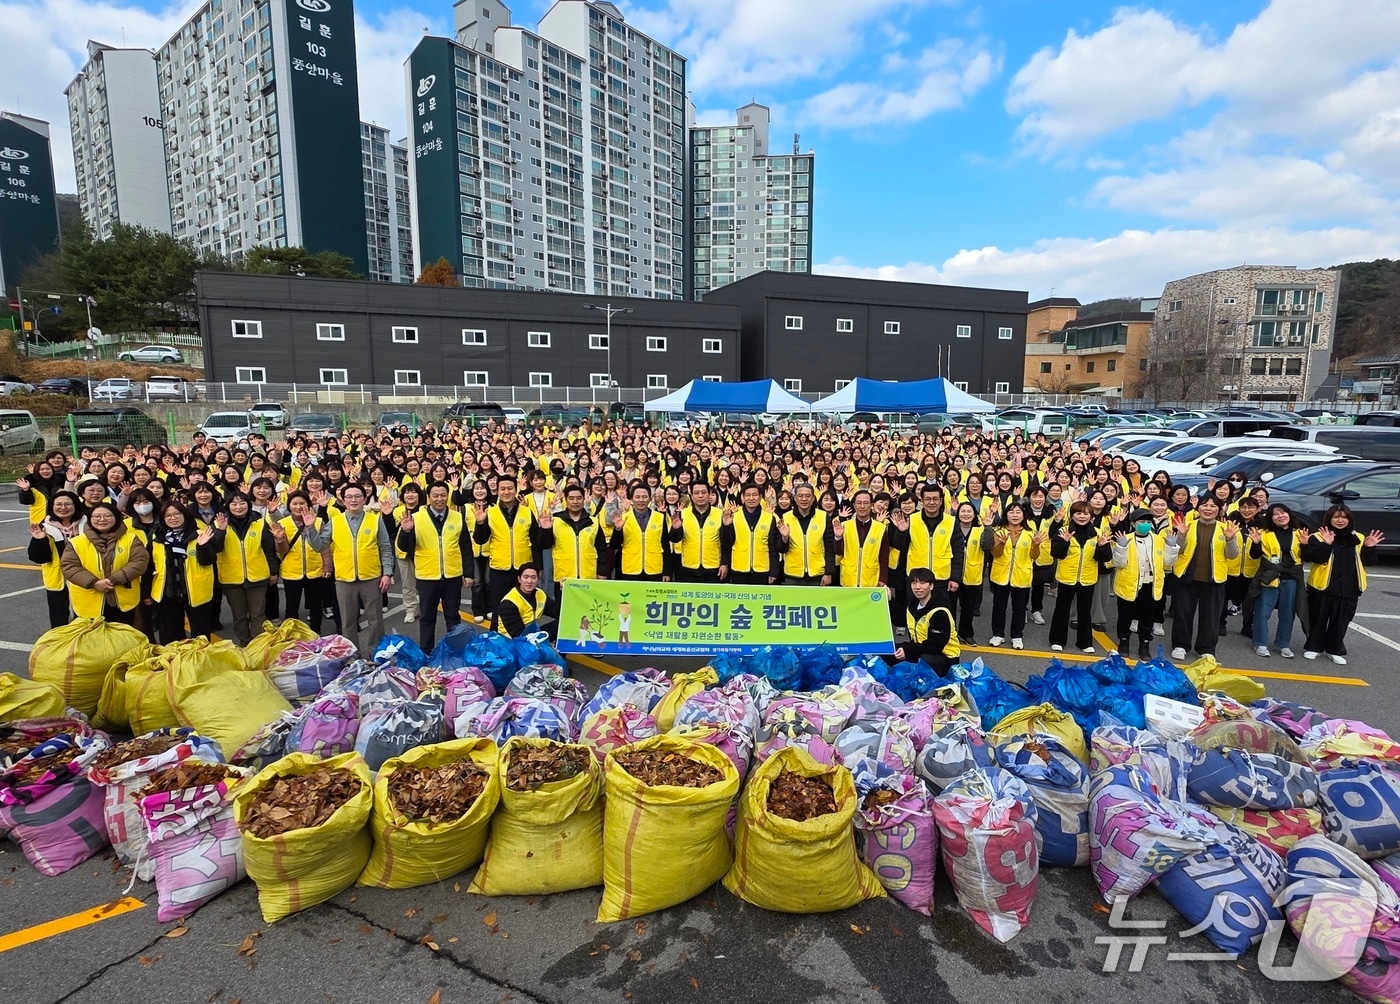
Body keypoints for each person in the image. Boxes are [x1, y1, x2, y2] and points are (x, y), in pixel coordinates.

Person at [305, 483, 396, 658]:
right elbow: (319, 546)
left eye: (357, 496)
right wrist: (310, 528)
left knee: (375, 620)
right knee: (348, 622)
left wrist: (387, 573)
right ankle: (353, 656)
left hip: (371, 577)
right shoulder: (335, 521)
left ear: (364, 499)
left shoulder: (375, 520)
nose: (353, 500)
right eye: (349, 497)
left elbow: (385, 548)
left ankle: (376, 653)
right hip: (344, 579)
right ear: (343, 500)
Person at [1300, 505, 1384, 665]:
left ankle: (1335, 649)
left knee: (1341, 621)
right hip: (1323, 586)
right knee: (1318, 618)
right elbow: (1313, 558)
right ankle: (1314, 647)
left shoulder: (1358, 537)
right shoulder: (1319, 536)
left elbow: (1369, 562)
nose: (1340, 520)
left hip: (1349, 587)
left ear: (1349, 519)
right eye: (1336, 517)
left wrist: (1369, 547)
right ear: (1329, 519)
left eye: (1344, 517)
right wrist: (1327, 544)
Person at [396, 481, 474, 652]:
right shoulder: (416, 518)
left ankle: (456, 651)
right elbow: (405, 548)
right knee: (427, 618)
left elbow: (466, 547)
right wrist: (406, 532)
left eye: (443, 495)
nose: (439, 499)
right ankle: (426, 652)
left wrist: (468, 573)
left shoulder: (457, 517)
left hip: (452, 576)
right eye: (435, 495)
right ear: (428, 497)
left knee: (453, 616)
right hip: (426, 576)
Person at [206, 491, 285, 646]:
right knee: (239, 615)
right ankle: (244, 642)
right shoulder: (218, 523)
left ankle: (257, 645)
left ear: (248, 505)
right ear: (228, 506)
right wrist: (220, 531)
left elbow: (269, 549)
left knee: (258, 615)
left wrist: (273, 572)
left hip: (258, 577)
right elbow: (214, 549)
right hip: (231, 578)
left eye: (242, 503)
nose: (238, 507)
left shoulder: (260, 522)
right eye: (234, 503)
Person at [1168, 495, 1240, 660]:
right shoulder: (1188, 525)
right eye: (1204, 505)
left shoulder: (1226, 528)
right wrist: (1182, 536)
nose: (1208, 509)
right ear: (1198, 508)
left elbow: (1233, 555)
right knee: (1183, 613)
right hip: (1186, 576)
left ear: (1219, 509)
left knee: (1211, 616)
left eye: (1213, 506)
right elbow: (1177, 550)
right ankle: (1180, 645)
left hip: (1214, 579)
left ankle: (1206, 649)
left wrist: (1230, 540)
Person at [60, 502, 151, 625]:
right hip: (89, 602)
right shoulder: (77, 542)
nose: (102, 519)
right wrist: (94, 582)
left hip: (123, 602)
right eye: (96, 516)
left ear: (116, 518)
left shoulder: (131, 539)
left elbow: (139, 562)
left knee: (122, 639)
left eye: (108, 516)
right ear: (90, 519)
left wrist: (114, 579)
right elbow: (69, 567)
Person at [473, 475, 552, 608]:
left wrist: (538, 567)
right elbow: (480, 540)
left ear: (516, 490)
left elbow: (537, 543)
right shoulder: (491, 512)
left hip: (522, 570)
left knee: (524, 609)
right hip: (499, 569)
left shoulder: (527, 512)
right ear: (497, 491)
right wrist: (480, 523)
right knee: (498, 609)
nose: (506, 492)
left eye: (510, 488)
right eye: (502, 489)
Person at [1110, 508, 1177, 660]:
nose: (1145, 525)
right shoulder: (1125, 538)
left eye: (1148, 522)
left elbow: (1168, 563)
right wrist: (1120, 547)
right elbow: (1118, 563)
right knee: (1125, 616)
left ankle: (1144, 644)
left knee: (1148, 617)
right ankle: (1124, 642)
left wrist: (1172, 547)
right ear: (1133, 524)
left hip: (1151, 584)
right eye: (1142, 522)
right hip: (1129, 584)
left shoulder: (1159, 540)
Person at [1048, 501, 1112, 654]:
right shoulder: (1063, 531)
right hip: (1066, 577)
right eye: (1078, 513)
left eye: (1085, 513)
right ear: (1072, 515)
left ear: (1091, 516)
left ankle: (1084, 642)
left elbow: (1104, 558)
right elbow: (1056, 554)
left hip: (1088, 577)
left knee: (1085, 611)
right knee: (1062, 609)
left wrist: (1102, 546)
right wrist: (1064, 542)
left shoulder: (1098, 533)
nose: (1081, 516)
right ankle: (1057, 640)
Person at [150, 501, 218, 643]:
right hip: (167, 592)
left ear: (185, 515)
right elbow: (149, 566)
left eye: (176, 514)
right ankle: (175, 663)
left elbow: (209, 560)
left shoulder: (199, 534)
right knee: (170, 635)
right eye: (167, 515)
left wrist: (203, 546)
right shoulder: (157, 538)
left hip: (196, 591)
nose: (172, 518)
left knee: (201, 634)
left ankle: (201, 662)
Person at [1249, 503, 1306, 658]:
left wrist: (1307, 545)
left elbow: (1307, 557)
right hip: (1270, 577)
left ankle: (1282, 644)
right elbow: (1254, 556)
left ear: (1289, 514)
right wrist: (1256, 543)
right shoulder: (1263, 533)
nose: (1280, 516)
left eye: (1283, 513)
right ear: (1270, 518)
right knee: (1262, 612)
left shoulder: (1300, 533)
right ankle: (1260, 643)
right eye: (1275, 514)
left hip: (1291, 578)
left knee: (1288, 613)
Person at [986, 501, 1043, 651]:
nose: (1015, 515)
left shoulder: (1030, 533)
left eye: (1018, 512)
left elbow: (1034, 556)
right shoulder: (998, 531)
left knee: (1019, 608)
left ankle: (1016, 636)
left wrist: (1036, 545)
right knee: (999, 607)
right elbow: (995, 554)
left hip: (1021, 575)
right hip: (1001, 575)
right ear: (1006, 515)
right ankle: (998, 634)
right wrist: (1001, 544)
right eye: (1011, 512)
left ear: (1023, 515)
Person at [28, 490, 84, 629]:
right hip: (58, 581)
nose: (63, 507)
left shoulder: (88, 524)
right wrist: (40, 540)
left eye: (67, 504)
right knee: (60, 622)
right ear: (51, 507)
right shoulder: (45, 527)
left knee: (85, 620)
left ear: (75, 505)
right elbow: (38, 558)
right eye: (58, 504)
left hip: (85, 579)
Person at [278, 491, 331, 633]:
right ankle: (291, 634)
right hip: (291, 570)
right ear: (289, 505)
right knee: (291, 606)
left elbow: (325, 547)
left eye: (302, 503)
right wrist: (280, 539)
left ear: (308, 504)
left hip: (315, 569)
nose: (298, 506)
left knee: (315, 605)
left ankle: (315, 632)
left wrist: (327, 566)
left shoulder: (318, 521)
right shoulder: (282, 523)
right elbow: (281, 550)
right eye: (294, 503)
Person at [893, 568, 960, 677]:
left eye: (922, 583)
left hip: (945, 659)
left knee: (924, 660)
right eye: (914, 583)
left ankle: (931, 688)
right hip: (919, 649)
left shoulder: (940, 612)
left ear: (931, 586)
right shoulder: (912, 604)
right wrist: (890, 599)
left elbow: (935, 646)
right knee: (889, 651)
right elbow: (899, 621)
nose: (917, 587)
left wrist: (908, 651)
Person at [723, 482, 782, 585]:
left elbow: (773, 548)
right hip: (739, 568)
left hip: (762, 569)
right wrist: (726, 527)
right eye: (748, 495)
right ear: (742, 498)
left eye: (754, 495)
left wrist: (774, 571)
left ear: (760, 497)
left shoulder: (769, 518)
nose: (751, 498)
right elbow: (727, 544)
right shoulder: (734, 517)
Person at [779, 483, 837, 587]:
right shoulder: (786, 518)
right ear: (795, 498)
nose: (804, 499)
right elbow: (780, 549)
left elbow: (829, 548)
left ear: (813, 498)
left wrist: (828, 573)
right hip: (792, 574)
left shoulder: (823, 517)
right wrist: (784, 538)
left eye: (808, 496)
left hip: (817, 573)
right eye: (800, 496)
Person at [669, 481, 727, 582]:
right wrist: (675, 528)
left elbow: (726, 543)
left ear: (709, 494)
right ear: (691, 495)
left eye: (703, 492)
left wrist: (724, 563)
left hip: (713, 568)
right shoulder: (683, 514)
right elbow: (674, 539)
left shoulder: (720, 514)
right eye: (696, 493)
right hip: (688, 567)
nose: (700, 496)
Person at [611, 482, 668, 581]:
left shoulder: (659, 517)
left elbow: (665, 545)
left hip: (654, 568)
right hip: (630, 568)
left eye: (644, 497)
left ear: (650, 499)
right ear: (631, 499)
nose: (641, 500)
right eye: (637, 497)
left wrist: (667, 572)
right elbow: (614, 545)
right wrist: (618, 530)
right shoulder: (623, 518)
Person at [836, 490, 890, 592]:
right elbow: (838, 552)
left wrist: (883, 579)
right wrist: (838, 538)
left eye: (865, 503)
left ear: (871, 505)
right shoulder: (844, 526)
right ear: (854, 505)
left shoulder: (880, 528)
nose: (862, 506)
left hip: (871, 580)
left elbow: (884, 556)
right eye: (859, 503)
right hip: (848, 580)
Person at [493, 562, 559, 639]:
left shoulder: (540, 594)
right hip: (511, 642)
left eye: (533, 577)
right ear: (519, 579)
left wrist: (563, 590)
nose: (529, 581)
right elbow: (518, 635)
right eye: (526, 577)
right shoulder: (509, 602)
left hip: (531, 634)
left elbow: (558, 612)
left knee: (562, 624)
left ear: (538, 579)